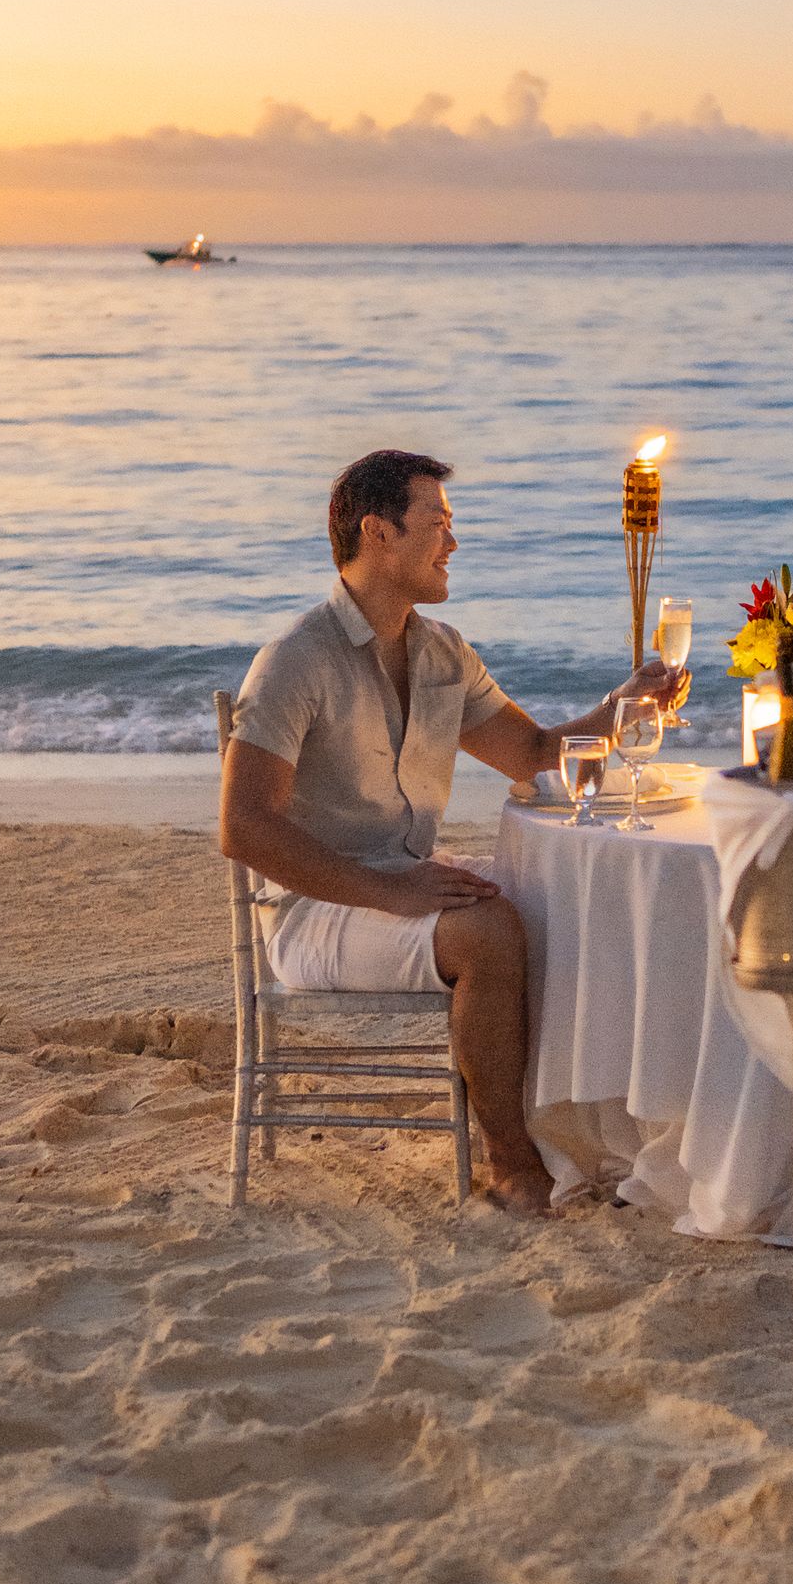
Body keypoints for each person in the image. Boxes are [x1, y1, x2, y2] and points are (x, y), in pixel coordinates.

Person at [219, 448, 683, 1216]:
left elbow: (534, 755)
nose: (453, 544)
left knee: (560, 898)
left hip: (402, 881)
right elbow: (243, 828)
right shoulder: (296, 659)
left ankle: (587, 1138)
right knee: (490, 932)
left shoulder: (442, 652)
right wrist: (387, 890)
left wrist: (626, 704)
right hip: (314, 911)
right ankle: (510, 1165)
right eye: (438, 524)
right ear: (378, 533)